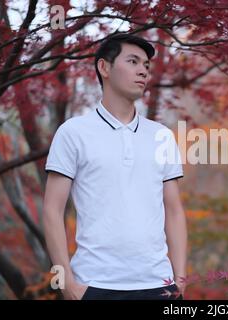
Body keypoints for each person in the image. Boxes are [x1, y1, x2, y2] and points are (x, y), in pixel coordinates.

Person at [43, 33, 187, 300]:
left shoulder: (162, 136)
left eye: (145, 65)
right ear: (104, 68)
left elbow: (174, 210)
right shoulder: (73, 132)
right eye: (133, 61)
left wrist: (179, 279)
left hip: (159, 285)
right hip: (94, 285)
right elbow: (52, 210)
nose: (142, 70)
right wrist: (67, 284)